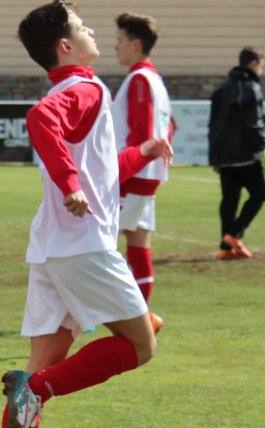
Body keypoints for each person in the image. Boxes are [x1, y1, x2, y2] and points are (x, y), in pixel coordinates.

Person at [0, 2, 166, 428]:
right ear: (65, 45)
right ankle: (38, 389)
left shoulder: (78, 92)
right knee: (140, 346)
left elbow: (100, 171)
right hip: (82, 248)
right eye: (82, 28)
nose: (91, 33)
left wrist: (144, 149)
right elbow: (41, 124)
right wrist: (71, 185)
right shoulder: (87, 87)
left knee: (42, 368)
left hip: (54, 249)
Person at [112, 11, 173, 333]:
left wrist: (123, 169)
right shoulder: (154, 79)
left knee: (96, 246)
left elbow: (142, 132)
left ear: (135, 44)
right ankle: (143, 315)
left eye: (120, 41)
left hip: (133, 174)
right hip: (147, 175)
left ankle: (102, 316)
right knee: (138, 242)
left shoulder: (139, 79)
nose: (115, 47)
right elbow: (169, 127)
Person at [208, 47, 265, 260]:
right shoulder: (251, 88)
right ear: (253, 64)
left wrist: (214, 155)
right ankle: (234, 235)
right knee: (259, 193)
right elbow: (254, 121)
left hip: (223, 155)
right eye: (261, 65)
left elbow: (213, 126)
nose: (261, 70)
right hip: (244, 153)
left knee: (230, 199)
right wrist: (261, 148)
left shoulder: (221, 90)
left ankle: (226, 248)